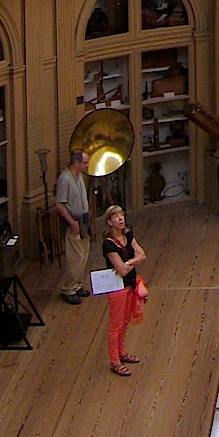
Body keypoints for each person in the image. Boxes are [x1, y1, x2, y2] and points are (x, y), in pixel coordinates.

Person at [100, 203, 146, 376]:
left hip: (130, 284)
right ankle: (114, 361)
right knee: (116, 324)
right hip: (117, 288)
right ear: (109, 222)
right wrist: (134, 261)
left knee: (125, 321)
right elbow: (121, 269)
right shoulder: (108, 244)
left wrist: (130, 262)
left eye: (121, 215)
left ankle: (122, 352)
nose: (120, 219)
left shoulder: (128, 234)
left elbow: (143, 255)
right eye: (115, 217)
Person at [54, 148, 92, 304]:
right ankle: (68, 288)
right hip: (74, 222)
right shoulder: (65, 179)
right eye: (85, 162)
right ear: (76, 163)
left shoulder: (79, 175)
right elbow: (59, 205)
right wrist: (72, 222)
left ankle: (77, 285)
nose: (87, 165)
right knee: (75, 257)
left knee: (83, 254)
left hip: (83, 220)